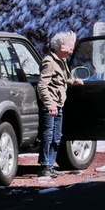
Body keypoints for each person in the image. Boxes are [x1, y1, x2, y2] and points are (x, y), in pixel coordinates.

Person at [36, 31, 76, 178]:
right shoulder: (49, 62)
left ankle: (51, 165)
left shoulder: (62, 61)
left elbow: (62, 80)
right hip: (51, 106)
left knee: (56, 136)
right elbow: (42, 85)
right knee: (47, 135)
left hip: (59, 104)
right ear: (61, 47)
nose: (71, 52)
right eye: (69, 48)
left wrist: (73, 82)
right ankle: (44, 166)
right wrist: (49, 104)